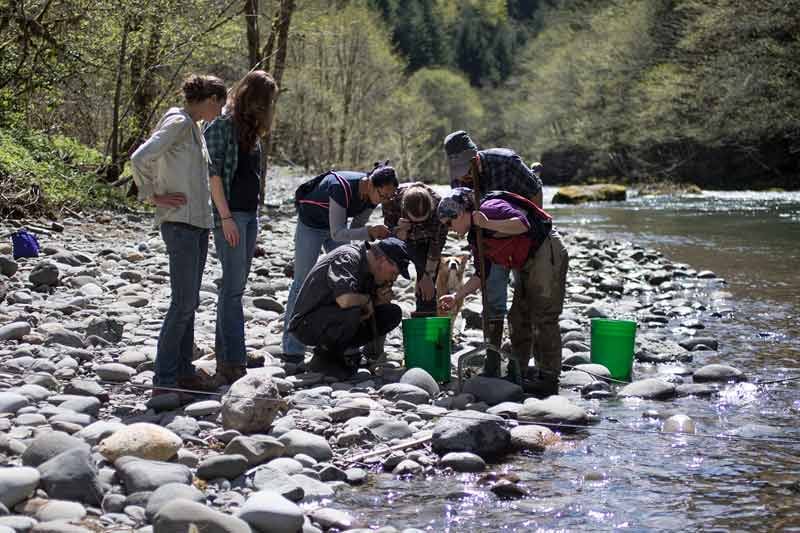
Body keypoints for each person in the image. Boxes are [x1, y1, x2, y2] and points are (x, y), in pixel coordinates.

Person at [131, 74, 227, 396]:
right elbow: (141, 157)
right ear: (211, 99)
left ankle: (184, 371)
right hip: (180, 225)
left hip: (198, 226)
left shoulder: (194, 128)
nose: (222, 111)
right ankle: (164, 379)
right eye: (221, 105)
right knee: (182, 303)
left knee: (190, 302)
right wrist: (151, 195)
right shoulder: (178, 122)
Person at [437, 188, 569, 398]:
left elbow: (521, 224)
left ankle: (548, 379)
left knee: (544, 316)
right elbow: (482, 274)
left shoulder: (490, 208)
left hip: (546, 250)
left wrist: (487, 222)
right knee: (518, 316)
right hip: (525, 262)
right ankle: (520, 371)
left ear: (460, 213)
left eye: (449, 223)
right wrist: (456, 297)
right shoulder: (476, 236)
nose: (450, 229)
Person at [443, 130, 544, 376]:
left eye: (467, 169)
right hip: (489, 237)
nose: (464, 176)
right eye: (459, 172)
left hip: (521, 228)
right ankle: (492, 355)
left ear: (476, 157)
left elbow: (535, 194)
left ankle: (522, 361)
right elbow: (464, 213)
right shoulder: (458, 180)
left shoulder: (506, 162)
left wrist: (532, 237)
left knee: (524, 296)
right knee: (492, 289)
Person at [281, 163, 399, 362]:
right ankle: (293, 349)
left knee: (349, 281)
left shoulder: (372, 197)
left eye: (389, 197)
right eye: (383, 195)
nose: (384, 201)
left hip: (338, 226)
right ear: (370, 184)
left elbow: (358, 227)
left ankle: (347, 343)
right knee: (301, 281)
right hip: (311, 226)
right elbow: (339, 232)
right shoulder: (340, 187)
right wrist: (370, 232)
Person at [204, 70, 278, 384]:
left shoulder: (253, 131)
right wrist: (225, 218)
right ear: (256, 99)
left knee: (236, 289)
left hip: (248, 215)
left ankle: (229, 354)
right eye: (269, 100)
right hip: (231, 215)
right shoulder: (222, 126)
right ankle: (232, 361)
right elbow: (213, 174)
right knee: (232, 291)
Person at [288, 237, 410, 380]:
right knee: (353, 309)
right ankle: (323, 358)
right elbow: (344, 300)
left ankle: (344, 353)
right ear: (383, 260)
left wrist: (378, 300)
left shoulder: (371, 268)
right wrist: (368, 300)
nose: (393, 279)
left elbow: (364, 306)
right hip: (306, 324)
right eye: (394, 273)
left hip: (333, 316)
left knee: (391, 313)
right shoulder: (347, 258)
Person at [382, 182, 448, 315]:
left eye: (423, 220)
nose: (419, 224)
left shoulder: (439, 207)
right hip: (403, 238)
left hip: (427, 241)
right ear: (404, 211)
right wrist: (397, 231)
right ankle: (383, 308)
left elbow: (436, 243)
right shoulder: (391, 202)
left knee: (427, 284)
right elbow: (386, 234)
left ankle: (425, 314)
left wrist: (427, 274)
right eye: (415, 221)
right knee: (384, 267)